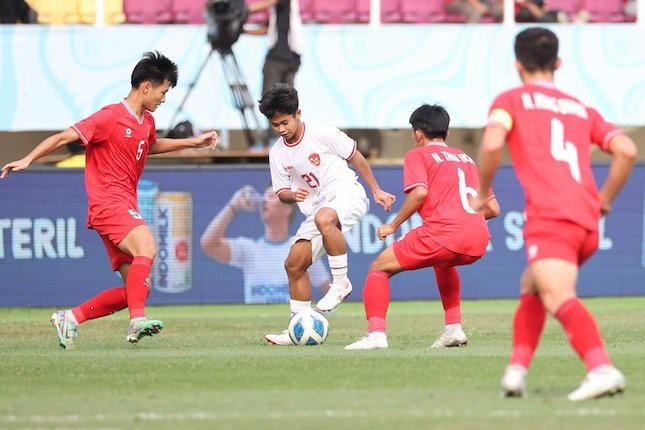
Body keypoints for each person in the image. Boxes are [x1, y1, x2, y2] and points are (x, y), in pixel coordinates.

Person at [1, 51, 218, 349]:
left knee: (136, 289)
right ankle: (136, 322)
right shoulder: (109, 117)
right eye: (163, 91)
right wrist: (28, 159)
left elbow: (148, 145)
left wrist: (193, 142)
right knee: (148, 247)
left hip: (121, 205)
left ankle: (70, 318)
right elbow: (64, 137)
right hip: (109, 203)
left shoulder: (147, 122)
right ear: (146, 87)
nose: (164, 98)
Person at [472, 27, 636, 401]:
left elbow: (493, 142)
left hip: (553, 217)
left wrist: (482, 192)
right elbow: (626, 150)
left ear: (517, 65)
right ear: (558, 63)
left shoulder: (510, 100)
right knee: (532, 286)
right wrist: (605, 199)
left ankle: (601, 369)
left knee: (557, 293)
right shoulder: (582, 109)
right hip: (585, 219)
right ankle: (515, 372)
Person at [344, 104, 500, 350]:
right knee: (443, 263)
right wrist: (467, 220)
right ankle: (453, 328)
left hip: (443, 234)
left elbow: (419, 193)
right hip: (479, 239)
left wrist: (393, 225)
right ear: (446, 134)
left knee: (378, 268)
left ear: (418, 133)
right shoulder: (467, 160)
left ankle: (376, 336)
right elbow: (493, 209)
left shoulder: (418, 155)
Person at [258, 83, 395, 345]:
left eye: (285, 122)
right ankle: (297, 326)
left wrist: (376, 190)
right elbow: (281, 192)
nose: (281, 129)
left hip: (347, 194)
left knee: (324, 218)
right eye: (275, 125)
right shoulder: (277, 152)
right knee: (294, 264)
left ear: (298, 113)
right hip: (318, 209)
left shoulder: (322, 133)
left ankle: (341, 283)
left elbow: (356, 156)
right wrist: (291, 196)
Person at [200, 184, 331, 304]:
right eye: (264, 197)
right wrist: (233, 206)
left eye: (271, 197)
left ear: (287, 208)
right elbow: (209, 244)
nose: (264, 201)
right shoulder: (248, 249)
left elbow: (329, 291)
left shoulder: (302, 248)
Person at [246, 0, 303, 96]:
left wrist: (242, 9)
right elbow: (266, 29)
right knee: (287, 102)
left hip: (279, 58)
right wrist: (244, 31)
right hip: (291, 57)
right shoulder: (279, 11)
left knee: (270, 100)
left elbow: (267, 3)